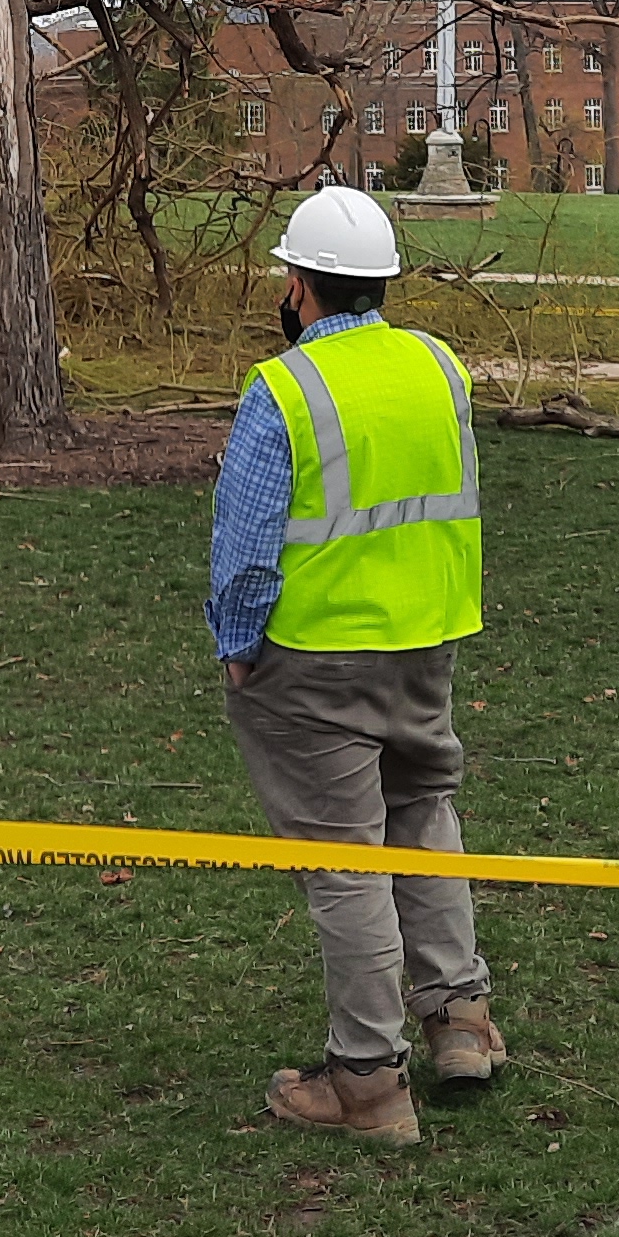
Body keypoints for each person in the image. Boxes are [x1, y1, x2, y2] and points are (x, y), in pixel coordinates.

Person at [205, 182, 503, 1148]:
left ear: (298, 285)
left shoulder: (283, 388)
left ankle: (368, 1081)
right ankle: (461, 1022)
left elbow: (247, 550)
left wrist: (238, 650)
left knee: (344, 862)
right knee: (422, 817)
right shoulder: (439, 366)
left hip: (315, 662)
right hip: (427, 641)